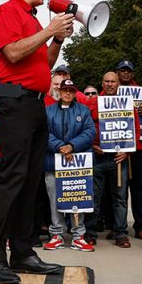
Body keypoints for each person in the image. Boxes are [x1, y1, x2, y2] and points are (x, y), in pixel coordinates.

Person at [0, 0, 72, 284]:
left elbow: (44, 65)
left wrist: (57, 40)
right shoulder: (6, 12)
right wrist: (48, 31)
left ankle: (22, 253)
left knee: (30, 182)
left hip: (33, 105)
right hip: (12, 103)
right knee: (12, 180)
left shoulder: (32, 19)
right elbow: (13, 54)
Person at [44, 78, 96, 251]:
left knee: (77, 198)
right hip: (53, 163)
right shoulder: (49, 111)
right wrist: (60, 147)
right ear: (59, 92)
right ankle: (57, 234)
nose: (67, 93)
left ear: (75, 92)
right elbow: (44, 133)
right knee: (54, 200)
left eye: (71, 90)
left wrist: (72, 146)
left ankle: (78, 235)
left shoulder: (83, 110)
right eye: (65, 90)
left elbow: (90, 132)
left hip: (76, 164)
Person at [115, 60, 142, 242]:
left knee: (141, 188)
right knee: (119, 189)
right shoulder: (110, 90)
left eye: (128, 71)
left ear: (132, 74)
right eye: (122, 71)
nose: (125, 74)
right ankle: (118, 225)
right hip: (118, 146)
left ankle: (141, 225)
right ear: (117, 73)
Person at [86, 71, 131, 247]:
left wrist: (128, 152)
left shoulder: (126, 104)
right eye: (107, 81)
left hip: (119, 158)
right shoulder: (91, 103)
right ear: (102, 83)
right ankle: (90, 233)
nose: (110, 84)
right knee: (93, 197)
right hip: (97, 157)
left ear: (118, 83)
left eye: (113, 81)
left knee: (120, 197)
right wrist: (90, 145)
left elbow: (133, 129)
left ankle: (121, 233)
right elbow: (85, 127)